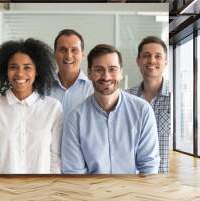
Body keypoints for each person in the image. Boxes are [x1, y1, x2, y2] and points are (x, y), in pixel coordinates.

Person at [62, 44, 159, 174]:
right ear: (89, 73)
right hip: (90, 192)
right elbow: (74, 173)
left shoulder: (143, 111)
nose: (106, 76)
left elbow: (148, 168)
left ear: (121, 73)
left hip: (133, 192)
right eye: (99, 70)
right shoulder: (75, 118)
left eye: (112, 69)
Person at [0, 38, 63, 174]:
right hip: (1, 191)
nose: (20, 73)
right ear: (5, 71)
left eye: (27, 67)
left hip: (40, 190)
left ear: (37, 71)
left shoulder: (53, 108)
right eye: (13, 67)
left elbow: (56, 159)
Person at [126, 36, 171, 174]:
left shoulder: (175, 97)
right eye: (146, 56)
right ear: (138, 61)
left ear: (165, 62)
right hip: (134, 179)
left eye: (158, 56)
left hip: (168, 179)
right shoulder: (126, 99)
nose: (152, 60)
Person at [47, 29, 93, 115]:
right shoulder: (43, 89)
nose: (68, 56)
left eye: (74, 50)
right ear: (55, 54)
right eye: (63, 50)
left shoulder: (93, 90)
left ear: (82, 54)